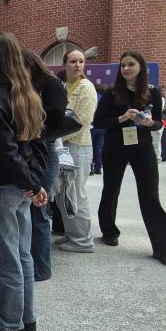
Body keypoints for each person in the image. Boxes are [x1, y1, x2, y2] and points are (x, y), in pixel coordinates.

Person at [0, 32, 48, 331]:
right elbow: (34, 146)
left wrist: (30, 183)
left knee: (4, 259)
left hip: (1, 187)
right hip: (20, 188)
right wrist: (33, 183)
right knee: (22, 254)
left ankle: (9, 325)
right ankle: (26, 317)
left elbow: (6, 152)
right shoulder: (26, 95)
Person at [93, 50, 166, 265]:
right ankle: (109, 232)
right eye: (123, 65)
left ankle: (163, 246)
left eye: (131, 64)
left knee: (150, 194)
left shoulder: (153, 93)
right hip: (115, 147)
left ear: (141, 67)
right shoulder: (112, 92)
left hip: (142, 148)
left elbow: (158, 123)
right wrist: (121, 118)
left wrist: (150, 123)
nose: (126, 69)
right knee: (111, 190)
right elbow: (99, 122)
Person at [21, 50, 66, 281]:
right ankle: (35, 264)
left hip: (45, 152)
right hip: (33, 151)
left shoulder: (52, 85)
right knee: (32, 209)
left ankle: (41, 268)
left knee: (38, 209)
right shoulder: (29, 86)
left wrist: (27, 113)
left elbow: (57, 117)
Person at [55, 49, 97, 253]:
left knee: (76, 193)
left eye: (81, 61)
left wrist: (55, 136)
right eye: (73, 61)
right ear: (65, 65)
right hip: (63, 145)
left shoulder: (86, 87)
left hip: (78, 146)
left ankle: (83, 240)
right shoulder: (64, 86)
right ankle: (73, 233)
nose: (77, 65)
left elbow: (82, 122)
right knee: (64, 194)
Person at [90, 83, 107, 175]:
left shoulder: (92, 96)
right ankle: (98, 167)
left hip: (92, 125)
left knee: (90, 147)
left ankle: (90, 167)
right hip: (102, 127)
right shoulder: (104, 98)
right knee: (99, 147)